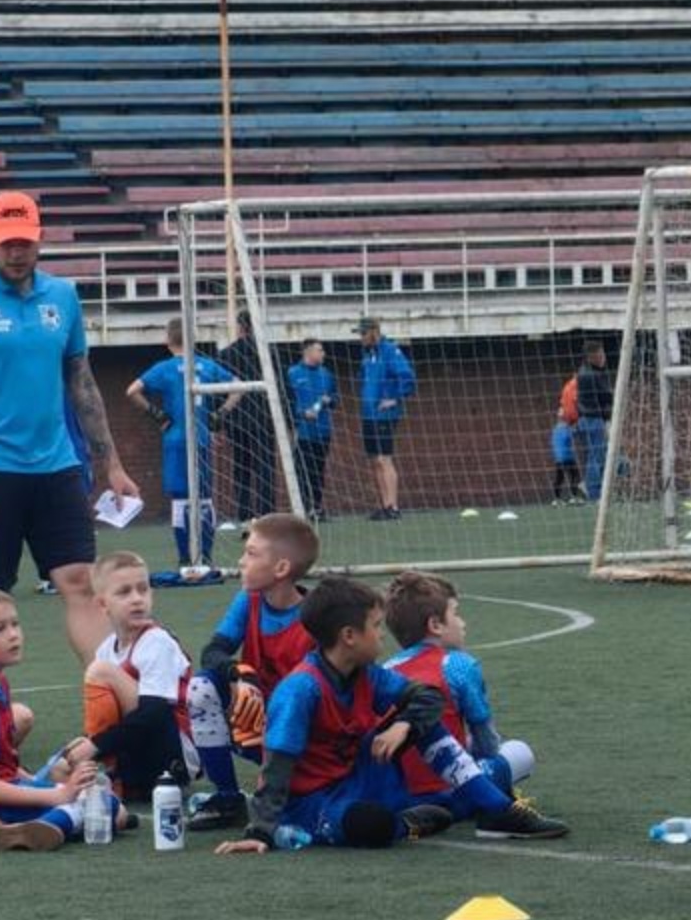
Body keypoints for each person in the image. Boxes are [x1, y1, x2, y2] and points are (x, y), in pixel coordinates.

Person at [0, 191, 137, 666]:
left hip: (57, 465)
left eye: (24, 242)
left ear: (39, 239)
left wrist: (113, 464)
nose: (16, 253)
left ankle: (110, 700)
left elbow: (81, 382)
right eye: (6, 244)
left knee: (81, 581)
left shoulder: (62, 296)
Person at [211, 578, 553, 853]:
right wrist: (261, 832)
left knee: (422, 721)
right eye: (375, 626)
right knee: (372, 826)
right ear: (349, 637)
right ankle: (412, 821)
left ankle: (497, 811)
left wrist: (404, 724)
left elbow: (427, 697)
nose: (383, 634)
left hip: (360, 778)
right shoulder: (301, 689)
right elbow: (278, 765)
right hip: (311, 803)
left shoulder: (367, 673)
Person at [383, 570, 567, 832]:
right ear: (435, 625)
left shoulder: (386, 669)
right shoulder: (458, 664)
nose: (462, 622)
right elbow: (486, 741)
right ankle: (491, 807)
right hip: (453, 794)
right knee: (518, 751)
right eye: (455, 613)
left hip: (400, 798)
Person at [0, 584, 106, 849]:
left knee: (97, 799)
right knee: (100, 804)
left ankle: (7, 829)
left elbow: (4, 764)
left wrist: (36, 782)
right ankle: (42, 826)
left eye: (15, 624)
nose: (14, 635)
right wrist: (57, 795)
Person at [182, 513, 319, 830]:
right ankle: (228, 798)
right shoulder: (250, 599)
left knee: (297, 806)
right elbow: (212, 652)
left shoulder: (314, 615)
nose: (242, 561)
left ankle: (292, 782)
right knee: (201, 687)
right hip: (251, 720)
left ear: (281, 569)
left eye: (252, 554)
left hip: (299, 728)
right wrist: (238, 672)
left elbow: (317, 691)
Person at [81, 550, 193, 805]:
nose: (137, 599)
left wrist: (96, 746)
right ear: (102, 604)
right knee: (66, 767)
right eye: (124, 592)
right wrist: (82, 747)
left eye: (143, 589)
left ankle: (112, 771)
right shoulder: (107, 648)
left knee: (100, 671)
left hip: (174, 751)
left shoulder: (156, 641)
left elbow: (155, 713)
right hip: (140, 746)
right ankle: (115, 773)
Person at [128, 318, 237, 576]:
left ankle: (186, 558)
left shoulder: (164, 368)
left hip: (176, 441)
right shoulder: (208, 365)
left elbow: (131, 390)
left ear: (168, 341)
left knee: (180, 501)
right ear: (193, 340)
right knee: (205, 498)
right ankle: (207, 557)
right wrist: (219, 415)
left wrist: (157, 414)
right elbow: (237, 387)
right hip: (201, 439)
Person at [216, 319, 277, 527]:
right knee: (266, 466)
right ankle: (266, 512)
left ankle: (243, 513)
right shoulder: (269, 352)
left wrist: (218, 421)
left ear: (241, 327)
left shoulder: (226, 354)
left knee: (241, 467)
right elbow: (282, 387)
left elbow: (219, 389)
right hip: (265, 418)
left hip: (237, 419)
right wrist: (287, 419)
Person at [357, 318, 415, 520]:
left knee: (384, 458)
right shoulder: (367, 355)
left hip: (384, 414)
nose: (361, 338)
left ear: (373, 332)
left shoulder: (390, 350)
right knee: (375, 460)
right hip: (368, 414)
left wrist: (394, 398)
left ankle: (393, 506)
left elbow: (407, 377)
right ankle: (384, 504)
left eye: (363, 334)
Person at [286, 338, 335, 518]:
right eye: (319, 350)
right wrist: (302, 414)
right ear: (308, 352)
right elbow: (287, 402)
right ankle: (302, 507)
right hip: (302, 431)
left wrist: (329, 401)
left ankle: (317, 507)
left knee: (319, 470)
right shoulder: (292, 373)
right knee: (302, 470)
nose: (323, 353)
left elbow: (334, 397)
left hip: (323, 431)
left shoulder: (327, 374)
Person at [573, 337, 613, 504]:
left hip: (589, 418)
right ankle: (593, 493)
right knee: (596, 457)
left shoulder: (588, 372)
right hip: (593, 419)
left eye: (603, 353)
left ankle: (591, 488)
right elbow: (607, 396)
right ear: (591, 357)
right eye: (599, 354)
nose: (603, 356)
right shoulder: (591, 374)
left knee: (597, 456)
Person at [550, 373, 583, 503]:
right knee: (573, 475)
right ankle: (573, 497)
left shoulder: (556, 429)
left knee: (560, 476)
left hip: (559, 457)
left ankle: (557, 498)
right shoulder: (565, 428)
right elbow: (573, 433)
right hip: (566, 457)